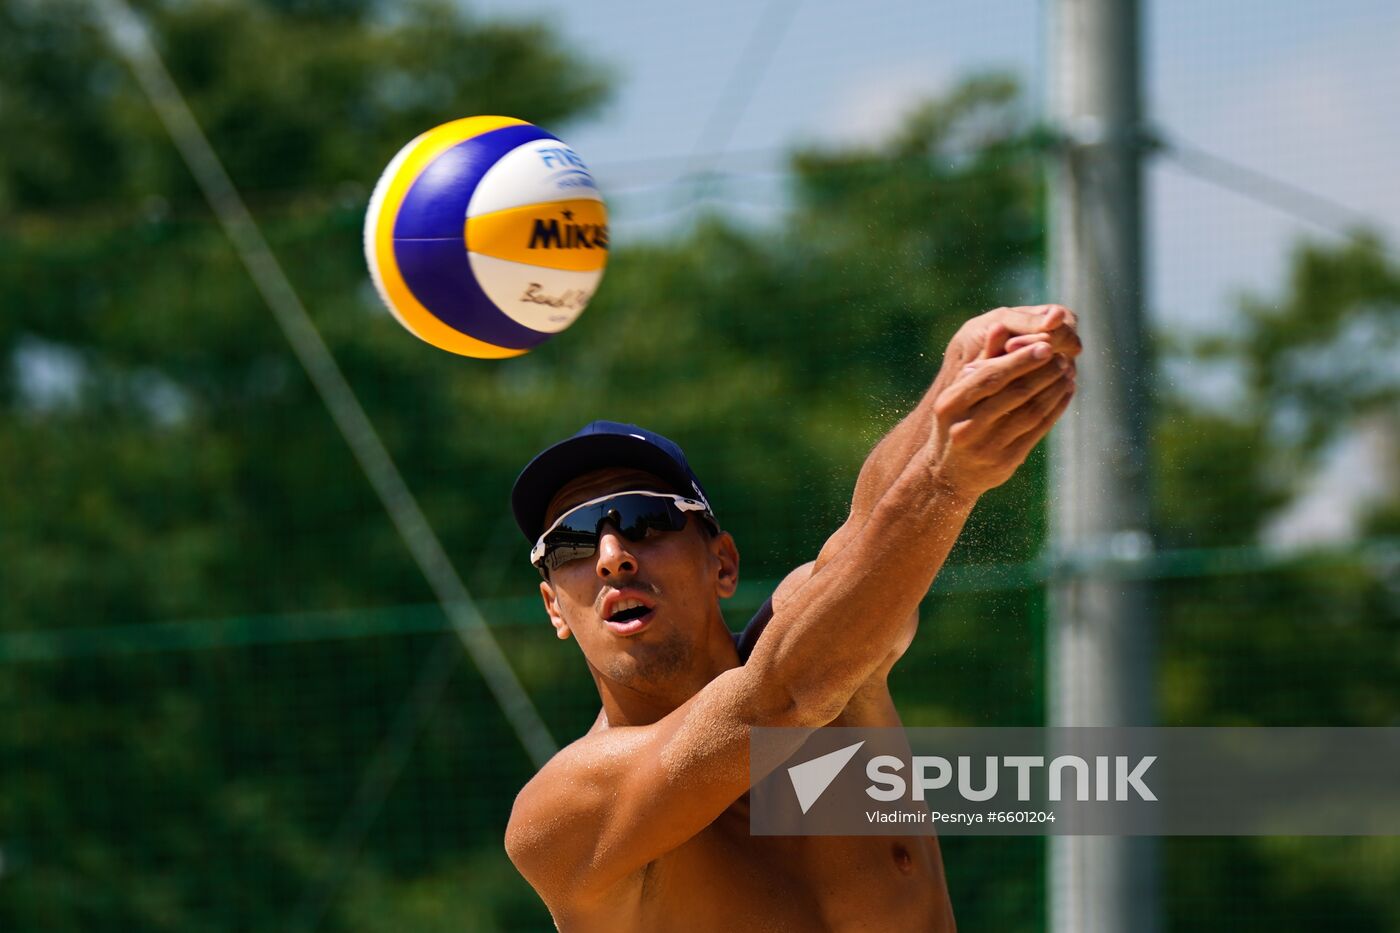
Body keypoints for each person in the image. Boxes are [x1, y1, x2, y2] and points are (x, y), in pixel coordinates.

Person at [505, 305, 1081, 931]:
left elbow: (864, 539)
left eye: (648, 520)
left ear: (723, 564)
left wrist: (962, 366)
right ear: (553, 607)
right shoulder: (562, 814)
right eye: (572, 543)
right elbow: (775, 704)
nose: (613, 557)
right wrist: (944, 482)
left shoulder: (837, 650)